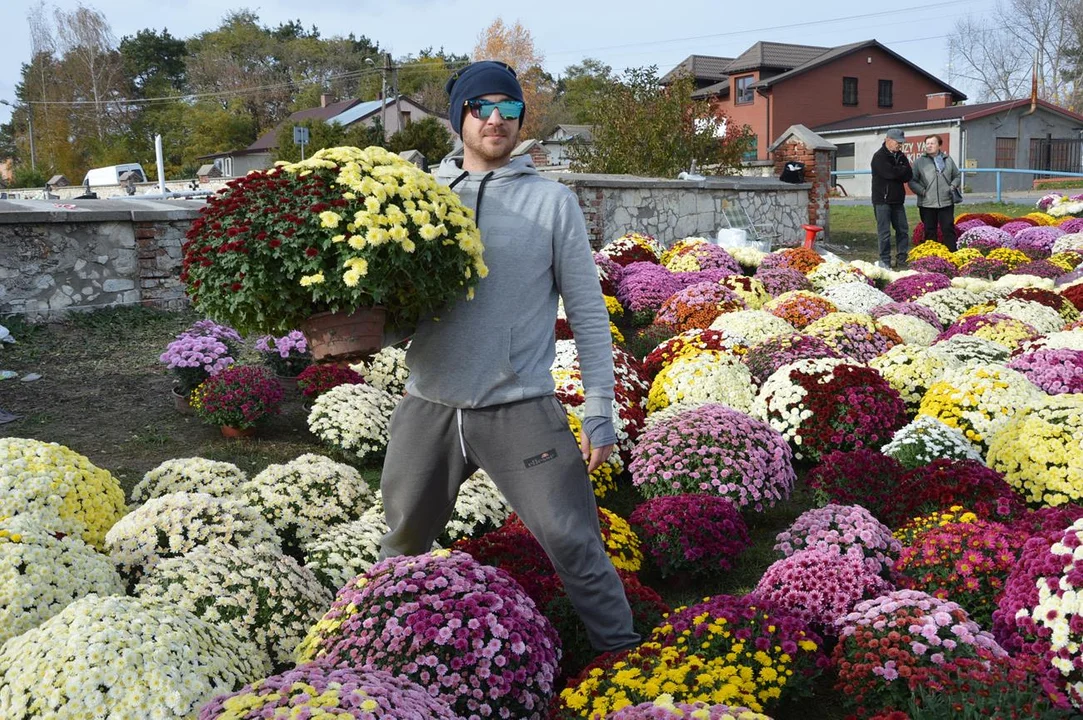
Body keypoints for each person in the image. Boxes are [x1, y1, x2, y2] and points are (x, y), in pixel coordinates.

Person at [378, 60, 641, 654]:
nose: (496, 119)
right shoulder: (420, 201)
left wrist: (601, 406)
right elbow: (393, 305)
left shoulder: (553, 203)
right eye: (481, 108)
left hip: (520, 407)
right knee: (400, 546)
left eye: (509, 108)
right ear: (459, 118)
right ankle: (381, 661)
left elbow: (589, 311)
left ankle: (628, 663)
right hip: (429, 406)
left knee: (575, 542)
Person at [908, 134, 961, 251]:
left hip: (946, 201)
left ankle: (952, 254)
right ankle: (932, 258)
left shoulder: (948, 160)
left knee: (948, 229)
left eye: (932, 143)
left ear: (939, 145)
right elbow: (912, 180)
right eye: (927, 144)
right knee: (930, 231)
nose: (929, 146)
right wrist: (922, 191)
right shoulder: (919, 162)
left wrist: (952, 186)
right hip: (927, 203)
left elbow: (956, 175)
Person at [871, 128, 914, 269]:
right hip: (882, 200)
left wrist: (899, 171)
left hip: (898, 200)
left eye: (901, 143)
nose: (899, 145)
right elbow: (889, 174)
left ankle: (902, 258)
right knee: (884, 233)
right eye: (897, 142)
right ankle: (885, 260)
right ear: (888, 140)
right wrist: (900, 170)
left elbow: (908, 175)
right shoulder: (879, 156)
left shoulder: (901, 156)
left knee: (903, 230)